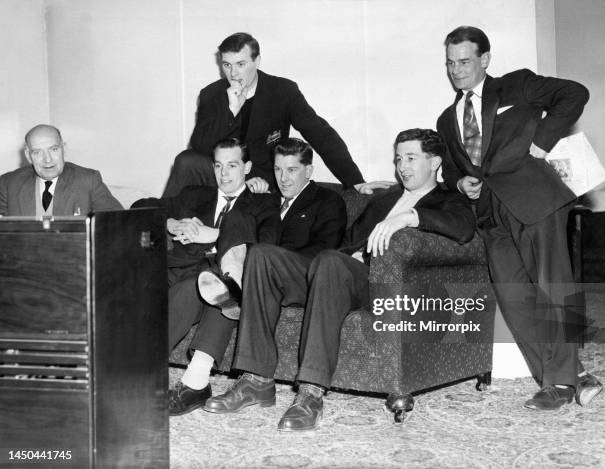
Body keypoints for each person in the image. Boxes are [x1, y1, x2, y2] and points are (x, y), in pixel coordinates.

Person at [204, 129, 476, 431]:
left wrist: (410, 217)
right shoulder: (382, 200)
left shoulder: (448, 199)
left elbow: (464, 229)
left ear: (435, 162)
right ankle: (256, 380)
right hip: (336, 274)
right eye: (399, 158)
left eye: (411, 158)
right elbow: (345, 242)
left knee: (330, 262)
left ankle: (310, 393)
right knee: (262, 256)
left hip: (380, 283)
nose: (402, 166)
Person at [436, 26, 603, 410]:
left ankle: (557, 384)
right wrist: (460, 182)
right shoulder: (446, 119)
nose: (456, 70)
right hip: (489, 215)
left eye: (464, 62)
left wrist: (542, 142)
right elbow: (448, 167)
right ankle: (570, 375)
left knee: (550, 287)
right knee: (515, 299)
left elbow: (574, 93)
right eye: (450, 63)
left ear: (484, 60)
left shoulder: (517, 86)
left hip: (533, 200)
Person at [166, 137, 347, 416]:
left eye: (292, 170)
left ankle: (195, 377)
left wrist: (218, 236)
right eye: (277, 170)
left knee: (236, 272)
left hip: (293, 275)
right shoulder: (268, 198)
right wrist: (175, 223)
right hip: (241, 272)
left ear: (309, 171)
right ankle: (231, 285)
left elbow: (323, 252)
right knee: (219, 285)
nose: (283, 178)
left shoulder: (326, 201)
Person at [162, 32, 393, 197]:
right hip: (224, 173)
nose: (233, 74)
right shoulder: (212, 94)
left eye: (241, 64)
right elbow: (200, 147)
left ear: (257, 61)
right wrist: (231, 111)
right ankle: (157, 233)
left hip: (263, 177)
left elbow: (320, 134)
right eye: (227, 65)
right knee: (186, 160)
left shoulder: (283, 91)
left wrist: (356, 182)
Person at [132, 138, 280, 359]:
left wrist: (215, 234)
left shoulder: (263, 203)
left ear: (247, 167)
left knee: (186, 292)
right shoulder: (195, 194)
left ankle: (142, 365)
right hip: (171, 266)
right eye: (218, 166)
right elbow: (140, 206)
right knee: (123, 282)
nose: (224, 173)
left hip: (212, 276)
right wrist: (170, 223)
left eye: (232, 165)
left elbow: (266, 245)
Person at [0, 124, 122, 216]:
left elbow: (117, 221)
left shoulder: (88, 180)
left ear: (64, 149)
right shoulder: (8, 183)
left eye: (54, 149)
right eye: (37, 152)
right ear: (28, 156)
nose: (47, 160)